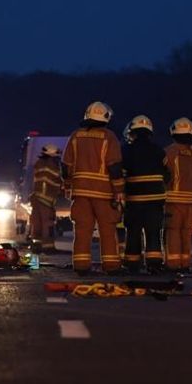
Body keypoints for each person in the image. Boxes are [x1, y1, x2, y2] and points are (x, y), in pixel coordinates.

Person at [62, 102, 125, 274]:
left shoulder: (76, 136)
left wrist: (68, 186)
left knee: (82, 229)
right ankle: (111, 266)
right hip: (104, 193)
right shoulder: (109, 137)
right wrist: (119, 191)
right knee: (107, 229)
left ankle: (81, 265)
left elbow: (66, 165)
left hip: (80, 192)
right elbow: (115, 167)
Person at [121, 115, 166, 273]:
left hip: (134, 200)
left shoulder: (127, 150)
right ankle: (154, 264)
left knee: (133, 232)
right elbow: (168, 174)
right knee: (153, 232)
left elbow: (121, 173)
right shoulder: (159, 150)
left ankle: (132, 264)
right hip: (155, 200)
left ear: (133, 132)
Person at [163, 117, 192, 273]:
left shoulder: (168, 152)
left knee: (173, 232)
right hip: (190, 202)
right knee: (186, 234)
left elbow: (164, 175)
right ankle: (185, 263)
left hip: (172, 201)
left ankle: (173, 265)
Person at [29, 144, 64, 253]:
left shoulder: (39, 164)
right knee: (47, 223)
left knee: (37, 222)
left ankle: (36, 246)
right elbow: (56, 180)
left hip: (36, 197)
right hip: (46, 199)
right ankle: (48, 247)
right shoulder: (52, 165)